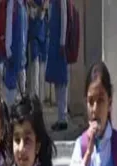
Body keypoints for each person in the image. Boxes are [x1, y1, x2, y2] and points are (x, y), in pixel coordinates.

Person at [45, 0, 68, 131]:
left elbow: (64, 17)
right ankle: (60, 117)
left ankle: (63, 117)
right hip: (54, 42)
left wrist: (62, 42)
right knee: (57, 80)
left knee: (61, 81)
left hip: (59, 44)